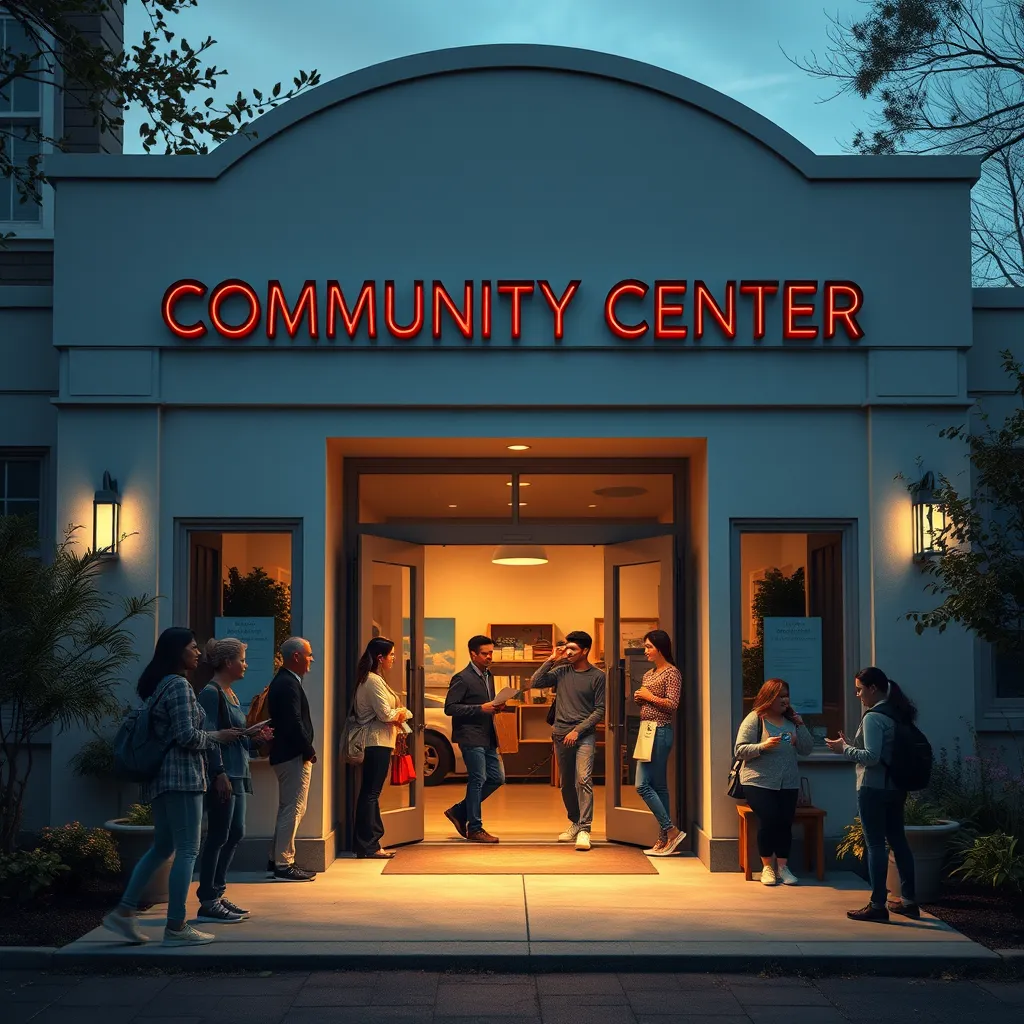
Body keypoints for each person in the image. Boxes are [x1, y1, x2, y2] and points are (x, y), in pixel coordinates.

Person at [102, 627, 244, 946]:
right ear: (177, 651)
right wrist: (218, 737)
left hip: (162, 779)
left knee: (163, 847)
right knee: (188, 849)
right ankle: (176, 926)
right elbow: (187, 736)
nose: (198, 652)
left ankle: (124, 911)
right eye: (192, 647)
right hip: (182, 779)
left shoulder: (160, 686)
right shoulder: (178, 685)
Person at [825, 666, 919, 921]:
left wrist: (843, 749)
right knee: (898, 842)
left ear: (873, 688)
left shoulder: (873, 717)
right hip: (896, 787)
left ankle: (877, 905)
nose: (857, 694)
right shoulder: (897, 713)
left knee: (876, 845)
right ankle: (909, 901)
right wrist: (850, 744)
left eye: (859, 689)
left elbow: (871, 757)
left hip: (872, 789)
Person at [195, 637, 273, 922]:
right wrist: (219, 773)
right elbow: (210, 737)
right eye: (241, 660)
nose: (245, 665)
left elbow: (234, 738)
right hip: (225, 775)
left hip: (238, 772)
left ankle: (217, 892)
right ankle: (208, 898)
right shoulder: (211, 693)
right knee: (219, 834)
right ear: (228, 663)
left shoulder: (231, 694)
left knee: (235, 833)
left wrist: (256, 739)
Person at [526, 630, 606, 851]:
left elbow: (600, 710)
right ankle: (575, 822)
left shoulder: (598, 676)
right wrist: (552, 658)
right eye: (566, 648)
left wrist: (578, 731)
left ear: (585, 651)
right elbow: (535, 682)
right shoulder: (561, 671)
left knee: (583, 779)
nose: (568, 652)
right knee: (567, 783)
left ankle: (585, 829)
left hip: (584, 735)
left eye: (573, 649)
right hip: (560, 734)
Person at [733, 677, 813, 885]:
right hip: (758, 781)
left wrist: (800, 726)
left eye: (787, 696)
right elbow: (739, 750)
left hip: (788, 782)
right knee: (769, 819)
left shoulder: (792, 721)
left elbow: (806, 749)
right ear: (769, 698)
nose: (785, 700)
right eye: (780, 696)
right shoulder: (755, 718)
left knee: (785, 822)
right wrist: (763, 746)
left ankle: (783, 867)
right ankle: (767, 867)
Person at [352, 636, 412, 858]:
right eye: (392, 655)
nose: (394, 658)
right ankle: (369, 845)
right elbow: (386, 714)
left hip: (379, 742)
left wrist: (400, 713)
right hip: (376, 742)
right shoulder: (372, 681)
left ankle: (369, 843)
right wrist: (402, 712)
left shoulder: (373, 678)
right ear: (380, 657)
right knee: (371, 793)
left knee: (370, 793)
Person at [443, 635, 507, 844]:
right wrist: (480, 708)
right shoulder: (462, 678)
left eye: (491, 653)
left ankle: (459, 811)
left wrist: (497, 706)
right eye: (485, 653)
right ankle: (475, 828)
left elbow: (487, 704)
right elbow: (450, 708)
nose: (489, 657)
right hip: (470, 735)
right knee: (478, 779)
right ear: (473, 654)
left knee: (497, 778)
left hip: (488, 735)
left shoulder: (488, 675)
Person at [267, 636, 318, 882]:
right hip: (292, 755)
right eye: (309, 655)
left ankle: (276, 858)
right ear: (296, 656)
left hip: (286, 754)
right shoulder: (288, 684)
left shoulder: (285, 681)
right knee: (294, 808)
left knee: (288, 807)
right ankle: (284, 863)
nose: (311, 660)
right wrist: (307, 749)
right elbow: (293, 722)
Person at [633, 630, 686, 856]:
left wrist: (648, 697)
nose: (645, 651)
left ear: (660, 648)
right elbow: (649, 702)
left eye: (649, 647)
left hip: (660, 731)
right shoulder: (648, 674)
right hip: (646, 730)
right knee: (660, 787)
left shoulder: (672, 673)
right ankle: (663, 840)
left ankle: (671, 831)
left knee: (642, 785)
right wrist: (640, 699)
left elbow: (672, 704)